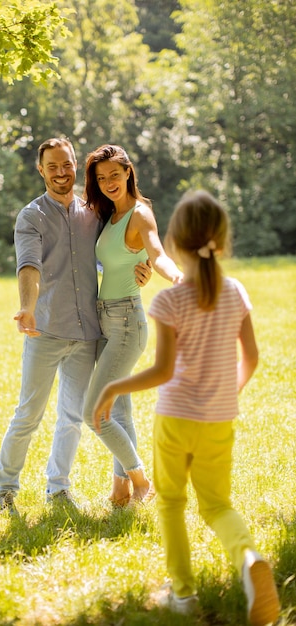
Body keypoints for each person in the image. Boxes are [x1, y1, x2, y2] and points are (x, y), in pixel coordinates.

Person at [93, 190, 280, 625]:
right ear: (221, 238)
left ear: (174, 240)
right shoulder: (235, 292)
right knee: (216, 505)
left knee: (173, 504)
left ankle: (182, 594)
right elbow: (250, 357)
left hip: (176, 420)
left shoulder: (169, 301)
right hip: (219, 420)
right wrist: (227, 392)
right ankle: (249, 559)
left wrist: (112, 388)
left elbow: (161, 371)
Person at [0, 137, 151, 514]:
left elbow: (115, 250)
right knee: (28, 414)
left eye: (66, 165)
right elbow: (28, 266)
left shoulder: (92, 212)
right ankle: (5, 489)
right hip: (45, 329)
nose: (61, 172)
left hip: (87, 333)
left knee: (72, 418)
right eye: (52, 166)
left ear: (74, 165)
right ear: (41, 170)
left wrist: (140, 269)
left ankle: (58, 489)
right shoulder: (31, 216)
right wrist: (27, 308)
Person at [82, 144, 183, 507]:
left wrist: (176, 278)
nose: (109, 182)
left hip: (126, 321)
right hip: (106, 319)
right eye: (101, 177)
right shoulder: (108, 215)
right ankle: (120, 490)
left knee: (94, 412)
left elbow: (156, 253)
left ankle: (141, 481)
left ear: (128, 172)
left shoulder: (140, 214)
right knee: (118, 412)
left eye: (114, 174)